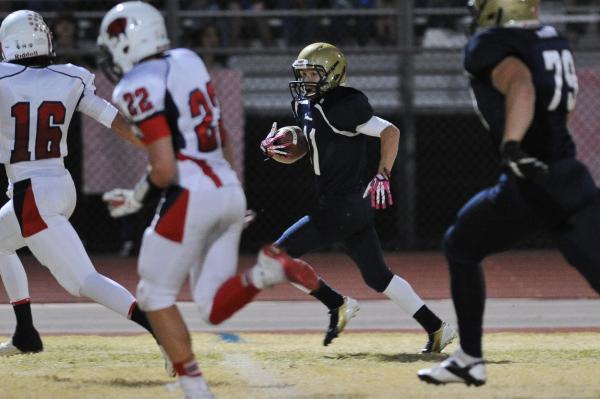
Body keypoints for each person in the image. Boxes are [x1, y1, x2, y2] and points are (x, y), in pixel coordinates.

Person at [96, 3, 319, 398]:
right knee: (213, 306)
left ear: (126, 42)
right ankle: (263, 273)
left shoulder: (136, 84)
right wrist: (232, 191)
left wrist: (136, 197)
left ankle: (195, 389)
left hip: (192, 193)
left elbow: (163, 168)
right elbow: (223, 135)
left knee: (153, 294)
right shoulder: (188, 59)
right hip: (228, 188)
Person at [418, 0, 600, 386]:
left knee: (460, 245)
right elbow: (560, 105)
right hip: (570, 177)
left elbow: (522, 85)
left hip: (530, 183)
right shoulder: (553, 41)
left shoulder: (491, 44)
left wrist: (513, 145)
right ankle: (467, 358)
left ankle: (468, 358)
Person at [260, 42, 457, 352]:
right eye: (303, 73)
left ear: (332, 74)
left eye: (312, 73)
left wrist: (383, 173)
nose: (306, 80)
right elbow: (312, 142)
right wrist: (282, 146)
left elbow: (390, 132)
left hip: (343, 205)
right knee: (378, 277)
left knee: (277, 257)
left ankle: (336, 303)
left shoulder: (345, 105)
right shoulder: (304, 104)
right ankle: (437, 328)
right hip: (349, 206)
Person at [0, 9, 163, 363]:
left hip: (32, 195)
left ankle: (161, 330)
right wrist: (157, 146)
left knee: (82, 282)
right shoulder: (68, 77)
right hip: (59, 185)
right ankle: (25, 332)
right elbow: (115, 121)